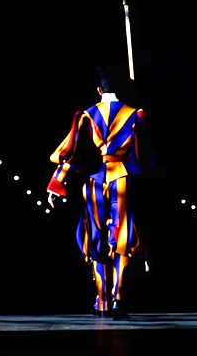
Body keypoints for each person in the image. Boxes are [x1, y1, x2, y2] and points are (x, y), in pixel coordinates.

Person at [46, 64, 151, 319]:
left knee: (97, 238)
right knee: (121, 238)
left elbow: (70, 153)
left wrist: (57, 185)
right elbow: (141, 157)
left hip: (94, 182)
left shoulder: (86, 115)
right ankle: (117, 298)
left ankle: (102, 300)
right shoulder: (136, 115)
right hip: (123, 179)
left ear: (98, 90)